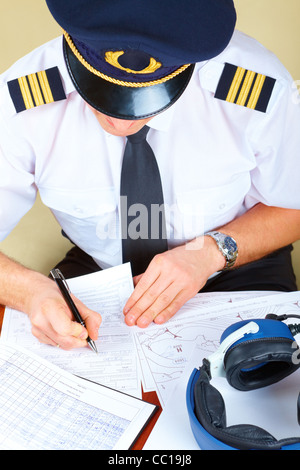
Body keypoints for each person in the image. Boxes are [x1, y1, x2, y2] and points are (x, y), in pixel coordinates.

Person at [0, 0, 300, 351]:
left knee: (266, 390)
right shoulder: (22, 103)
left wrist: (208, 253)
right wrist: (29, 291)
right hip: (104, 273)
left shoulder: (256, 90)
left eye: (145, 100)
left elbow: (292, 206)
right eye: (103, 94)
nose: (122, 122)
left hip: (236, 261)